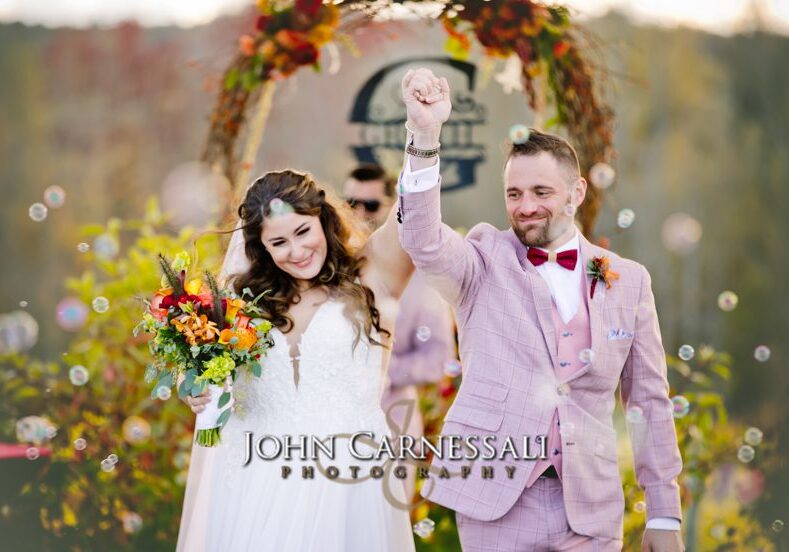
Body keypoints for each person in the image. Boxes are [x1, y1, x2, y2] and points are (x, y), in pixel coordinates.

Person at [396, 68, 684, 551]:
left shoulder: (629, 280)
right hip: (495, 496)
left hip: (590, 511)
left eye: (541, 193)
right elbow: (422, 240)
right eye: (514, 194)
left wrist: (664, 514)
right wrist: (424, 136)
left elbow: (649, 401)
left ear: (576, 194)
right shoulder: (483, 259)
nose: (525, 206)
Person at [175, 169, 416, 551]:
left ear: (324, 219)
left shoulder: (369, 277)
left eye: (303, 232)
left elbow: (415, 210)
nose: (297, 251)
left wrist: (423, 137)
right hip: (257, 478)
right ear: (261, 248)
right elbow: (208, 372)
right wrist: (194, 390)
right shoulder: (240, 302)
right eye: (279, 242)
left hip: (346, 478)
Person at [343, 163, 455, 501]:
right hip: (337, 422)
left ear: (393, 207)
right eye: (351, 204)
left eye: (372, 205)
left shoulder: (420, 274)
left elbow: (439, 357)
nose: (360, 213)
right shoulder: (331, 266)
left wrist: (384, 372)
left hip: (394, 421)